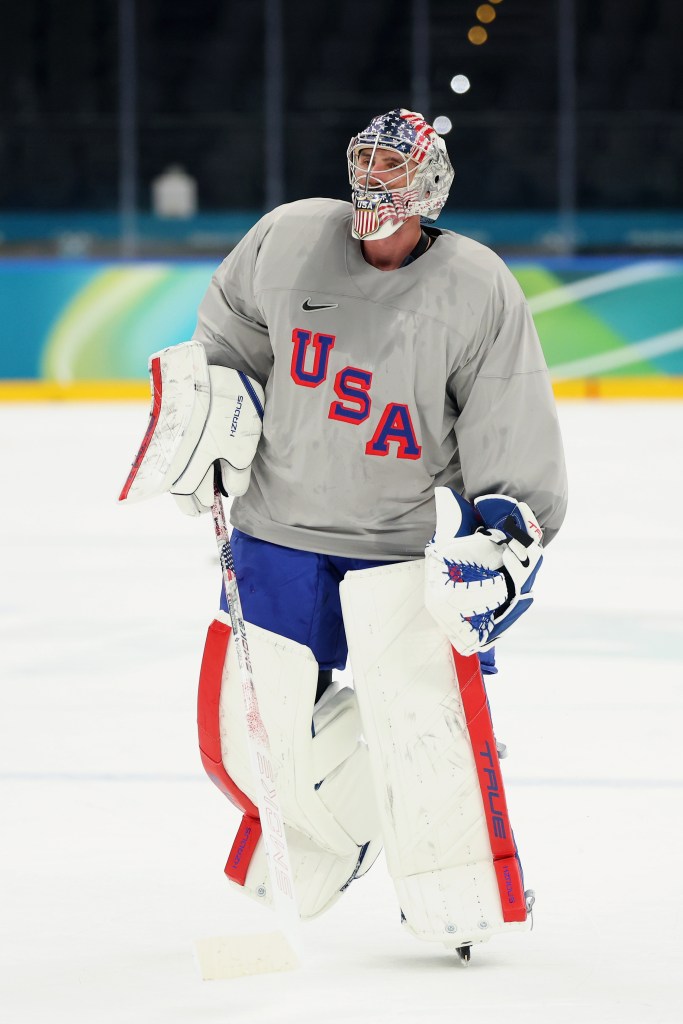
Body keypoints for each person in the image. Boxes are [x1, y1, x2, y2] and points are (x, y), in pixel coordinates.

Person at [121, 109, 567, 961]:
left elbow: (508, 422)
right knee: (241, 734)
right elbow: (228, 344)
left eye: (393, 173)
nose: (372, 187)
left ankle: (453, 889)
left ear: (431, 186)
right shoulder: (287, 237)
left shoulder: (477, 288)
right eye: (364, 165)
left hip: (389, 546)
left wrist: (503, 530)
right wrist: (208, 417)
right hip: (270, 532)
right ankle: (337, 834)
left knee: (422, 725)